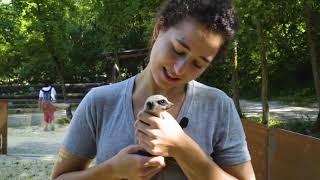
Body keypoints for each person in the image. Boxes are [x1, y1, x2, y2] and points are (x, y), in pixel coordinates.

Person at [51, 0, 256, 179]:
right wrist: (112, 170)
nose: (179, 69)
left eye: (198, 64)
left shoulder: (219, 107)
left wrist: (182, 148)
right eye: (178, 50)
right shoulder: (99, 102)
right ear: (159, 29)